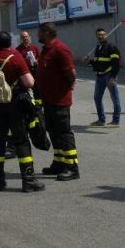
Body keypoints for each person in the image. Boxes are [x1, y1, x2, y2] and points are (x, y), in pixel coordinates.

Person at [0, 32, 44, 192]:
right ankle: (28, 180)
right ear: (10, 43)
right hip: (15, 106)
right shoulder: (16, 57)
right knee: (21, 142)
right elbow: (29, 82)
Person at [36, 22, 79, 181]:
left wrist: (65, 89)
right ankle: (59, 162)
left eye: (39, 32)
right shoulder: (46, 50)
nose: (37, 35)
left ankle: (72, 167)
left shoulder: (60, 50)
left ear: (47, 33)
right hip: (48, 100)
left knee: (64, 133)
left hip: (59, 100)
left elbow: (71, 74)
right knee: (53, 132)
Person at [84, 28, 121, 127]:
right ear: (96, 36)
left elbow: (116, 64)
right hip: (99, 76)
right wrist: (90, 62)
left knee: (115, 98)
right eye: (99, 35)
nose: (101, 36)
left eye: (103, 34)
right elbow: (98, 62)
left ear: (106, 35)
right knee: (97, 98)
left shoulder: (111, 47)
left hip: (108, 76)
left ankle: (116, 121)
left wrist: (113, 77)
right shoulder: (98, 48)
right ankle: (101, 120)